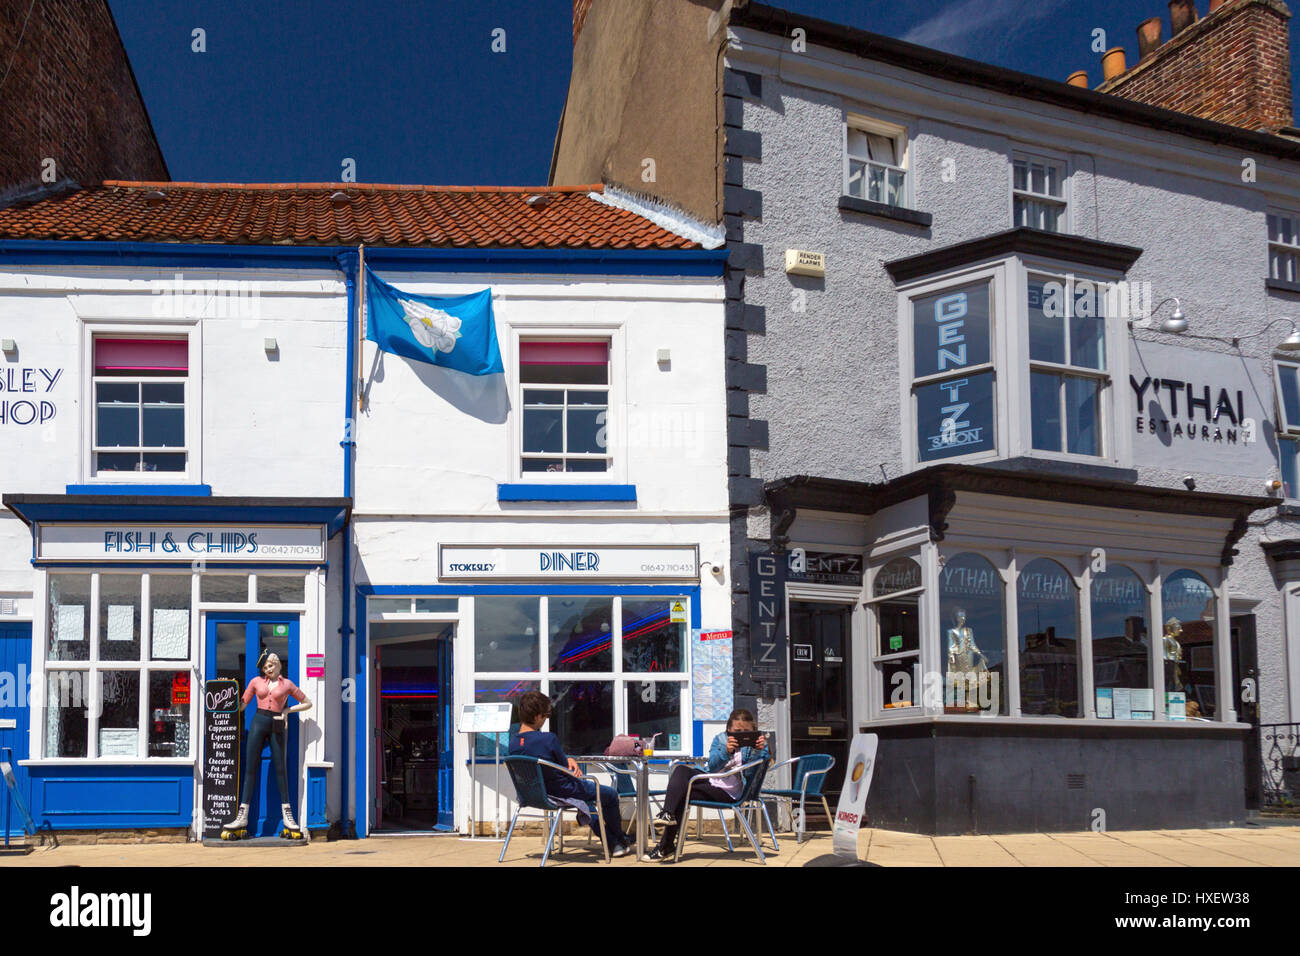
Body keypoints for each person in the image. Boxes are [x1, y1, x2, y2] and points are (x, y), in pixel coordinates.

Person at [508, 690, 633, 858]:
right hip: (563, 790)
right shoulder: (548, 739)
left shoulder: (513, 743)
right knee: (609, 795)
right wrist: (570, 767)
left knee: (586, 802)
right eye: (546, 716)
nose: (546, 720)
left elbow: (548, 763)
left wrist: (567, 760)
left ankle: (615, 842)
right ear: (537, 716)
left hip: (536, 795)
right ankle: (618, 840)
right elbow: (565, 770)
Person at [648, 708, 772, 861]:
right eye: (737, 731)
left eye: (746, 731)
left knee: (682, 793)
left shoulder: (759, 746)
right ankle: (667, 815)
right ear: (728, 729)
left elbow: (753, 773)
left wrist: (758, 751)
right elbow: (712, 767)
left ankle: (665, 846)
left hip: (730, 793)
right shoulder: (720, 739)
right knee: (681, 770)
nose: (741, 735)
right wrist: (726, 751)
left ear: (753, 731)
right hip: (710, 781)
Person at [223, 649, 313, 835]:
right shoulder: (256, 682)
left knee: (280, 768)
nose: (268, 670)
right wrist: (226, 693)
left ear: (278, 664)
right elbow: (242, 705)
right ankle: (242, 815)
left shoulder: (287, 684)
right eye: (265, 667)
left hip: (277, 723)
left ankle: (288, 816)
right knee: (250, 767)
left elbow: (307, 702)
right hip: (259, 721)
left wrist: (288, 711)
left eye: (270, 665)